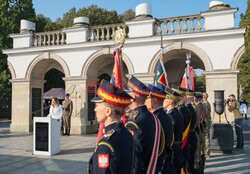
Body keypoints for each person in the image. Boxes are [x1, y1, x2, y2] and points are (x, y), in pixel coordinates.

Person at [88, 79, 134, 174]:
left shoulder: (105, 145)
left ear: (108, 111)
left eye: (97, 105)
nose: (95, 109)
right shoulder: (126, 133)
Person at [125, 75, 161, 174]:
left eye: (128, 93)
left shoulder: (134, 122)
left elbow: (134, 158)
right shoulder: (152, 116)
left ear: (133, 97)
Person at [145, 84, 175, 174]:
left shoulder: (156, 118)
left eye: (147, 98)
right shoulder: (162, 115)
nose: (145, 101)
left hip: (159, 164)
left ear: (154, 100)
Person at [163, 88, 184, 174]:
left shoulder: (170, 116)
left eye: (165, 98)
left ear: (170, 101)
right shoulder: (177, 113)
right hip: (178, 149)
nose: (163, 100)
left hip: (173, 151)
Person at [202, 92, 211, 159]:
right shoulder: (208, 103)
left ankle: (206, 153)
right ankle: (207, 153)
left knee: (205, 138)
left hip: (204, 122)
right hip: (207, 121)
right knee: (207, 137)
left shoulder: (203, 104)